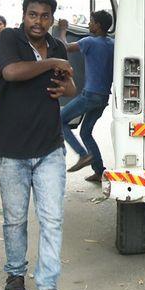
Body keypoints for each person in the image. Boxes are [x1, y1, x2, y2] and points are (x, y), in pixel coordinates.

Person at [0, 0, 76, 290]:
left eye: (44, 16)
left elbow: (70, 88)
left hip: (50, 147)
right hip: (12, 148)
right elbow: (11, 73)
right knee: (15, 219)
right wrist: (52, 64)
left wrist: (62, 87)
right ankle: (15, 275)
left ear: (52, 19)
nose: (38, 21)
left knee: (52, 219)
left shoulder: (55, 45)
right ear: (23, 15)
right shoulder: (9, 38)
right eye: (32, 14)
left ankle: (47, 288)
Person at [57, 11, 115, 182]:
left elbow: (65, 47)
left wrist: (62, 30)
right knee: (86, 132)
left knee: (59, 120)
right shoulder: (112, 43)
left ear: (98, 25)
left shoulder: (89, 41)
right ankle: (99, 171)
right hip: (103, 97)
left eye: (91, 22)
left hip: (90, 94)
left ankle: (82, 154)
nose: (89, 25)